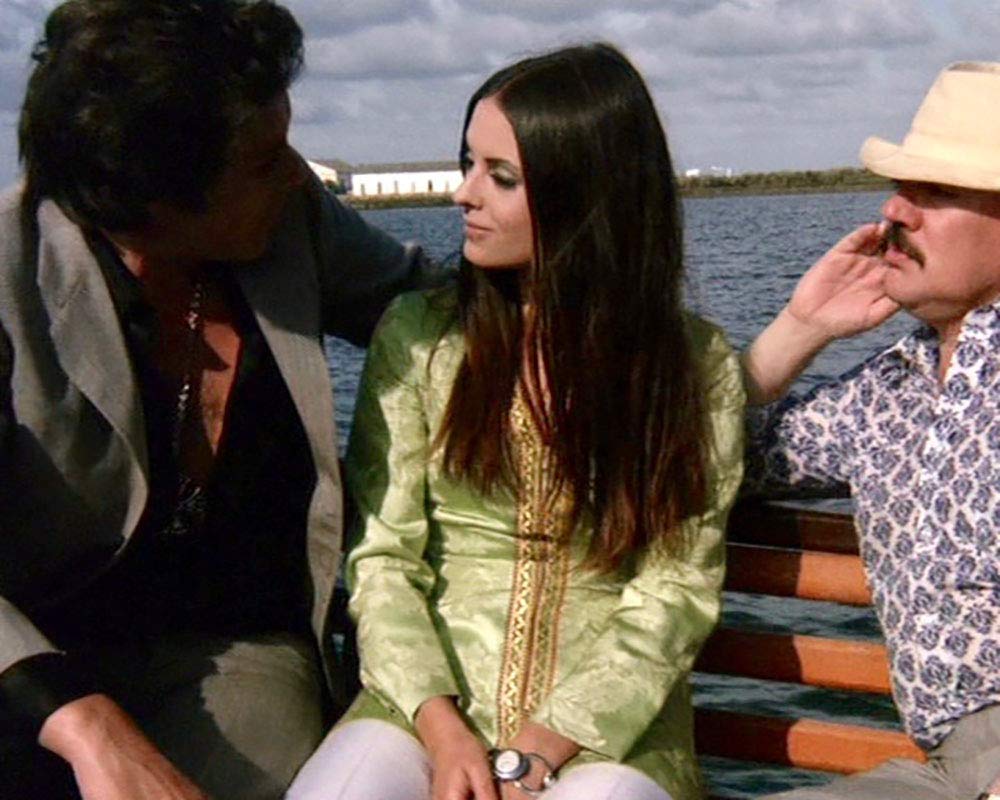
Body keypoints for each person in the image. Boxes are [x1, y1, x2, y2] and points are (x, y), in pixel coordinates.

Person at [0, 1, 448, 798]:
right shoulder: (7, 272)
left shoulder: (292, 221)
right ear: (155, 194)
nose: (300, 173)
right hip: (31, 651)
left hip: (239, 646)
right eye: (266, 158)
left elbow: (442, 313)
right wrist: (85, 726)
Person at [285, 42, 746, 800]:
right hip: (420, 706)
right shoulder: (422, 337)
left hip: (609, 732)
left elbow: (676, 586)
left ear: (586, 195)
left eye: (500, 177)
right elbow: (384, 557)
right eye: (467, 163)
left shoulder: (693, 365)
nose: (463, 194)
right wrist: (444, 731)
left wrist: (539, 748)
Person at [741, 61, 1000, 800]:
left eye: (936, 193)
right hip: (948, 772)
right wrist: (801, 328)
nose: (895, 211)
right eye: (900, 188)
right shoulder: (884, 391)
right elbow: (693, 466)